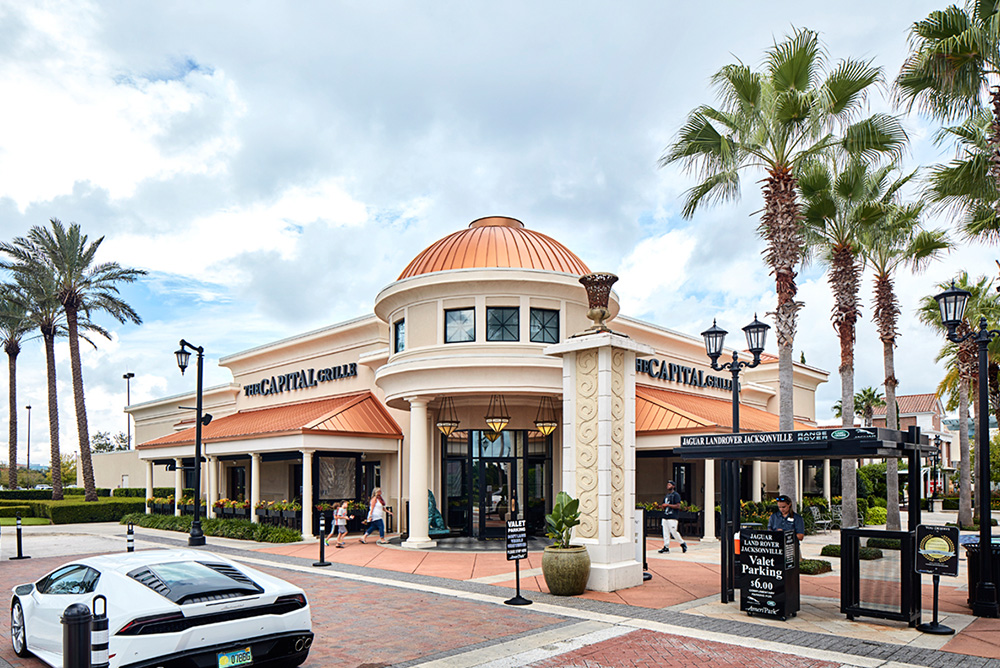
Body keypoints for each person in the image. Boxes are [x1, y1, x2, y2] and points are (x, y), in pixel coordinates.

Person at [659, 480, 687, 554]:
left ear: (673, 486)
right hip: (665, 516)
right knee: (665, 532)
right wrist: (662, 506)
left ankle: (682, 543)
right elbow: (664, 504)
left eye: (669, 485)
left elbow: (678, 506)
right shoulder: (667, 495)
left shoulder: (676, 495)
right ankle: (666, 547)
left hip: (672, 516)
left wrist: (668, 505)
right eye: (667, 484)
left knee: (673, 532)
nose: (668, 486)